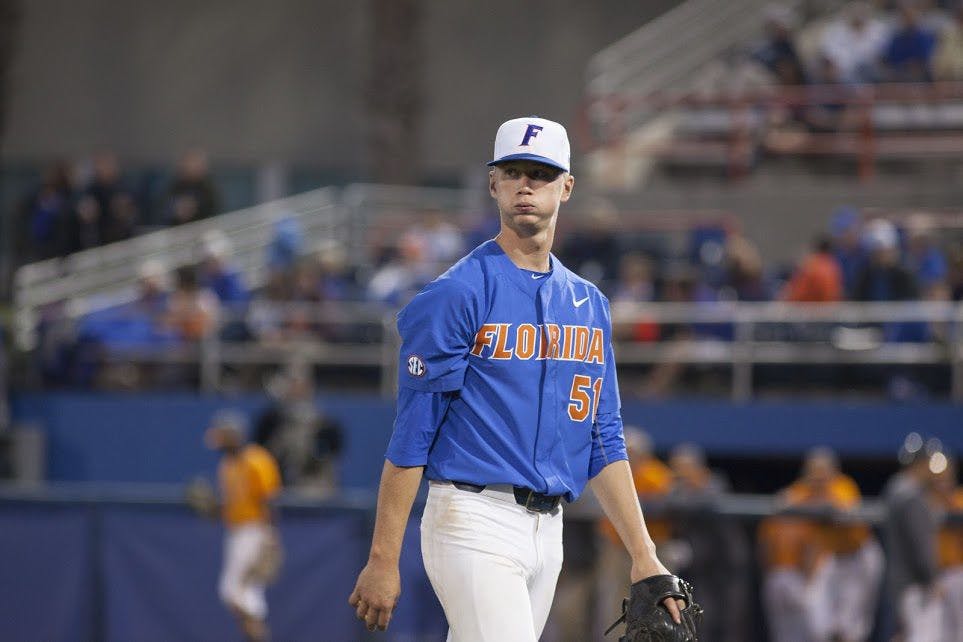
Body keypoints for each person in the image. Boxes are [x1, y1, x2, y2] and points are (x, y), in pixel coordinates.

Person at [347, 116, 686, 640]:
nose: (526, 185)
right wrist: (382, 558)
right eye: (513, 172)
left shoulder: (589, 304)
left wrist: (645, 555)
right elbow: (411, 436)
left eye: (542, 173)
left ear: (567, 187)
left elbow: (603, 437)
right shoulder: (455, 294)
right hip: (472, 517)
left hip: (550, 530)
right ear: (494, 184)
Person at [778, 447, 883, 642]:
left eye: (822, 472)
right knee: (816, 613)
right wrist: (801, 499)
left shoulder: (844, 486)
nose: (818, 478)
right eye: (813, 472)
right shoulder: (806, 490)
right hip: (834, 558)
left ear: (833, 472)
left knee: (851, 628)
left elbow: (838, 510)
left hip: (859, 558)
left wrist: (811, 503)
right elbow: (782, 503)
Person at [203, 411, 282, 642]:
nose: (218, 440)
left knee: (238, 592)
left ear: (234, 435)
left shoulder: (257, 459)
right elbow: (228, 507)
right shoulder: (227, 464)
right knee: (240, 594)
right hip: (237, 532)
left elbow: (269, 500)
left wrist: (270, 536)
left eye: (222, 434)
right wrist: (210, 508)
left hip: (255, 531)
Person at [883, 433, 945, 642]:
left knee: (906, 634)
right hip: (915, 584)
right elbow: (920, 544)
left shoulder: (895, 489)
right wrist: (931, 579)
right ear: (920, 464)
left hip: (899, 581)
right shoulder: (911, 496)